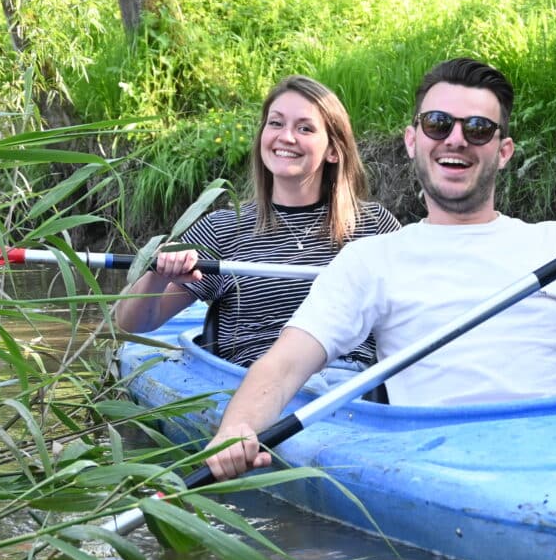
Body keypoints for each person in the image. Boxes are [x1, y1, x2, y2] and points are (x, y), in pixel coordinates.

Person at [202, 57, 556, 479]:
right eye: (437, 124)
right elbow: (286, 363)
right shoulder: (371, 259)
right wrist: (237, 431)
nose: (455, 139)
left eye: (477, 129)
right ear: (412, 141)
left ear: (503, 150)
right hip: (447, 462)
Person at [113, 75, 400, 371]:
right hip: (254, 386)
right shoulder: (222, 230)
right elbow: (132, 323)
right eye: (275, 123)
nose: (286, 137)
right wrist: (158, 275)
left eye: (305, 128)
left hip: (349, 387)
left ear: (333, 150)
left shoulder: (375, 227)